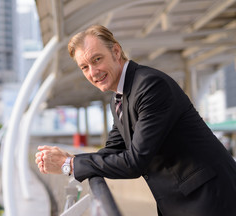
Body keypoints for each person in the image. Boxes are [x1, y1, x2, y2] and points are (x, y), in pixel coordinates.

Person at [35, 25, 236, 215]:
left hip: (210, 198)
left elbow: (135, 161)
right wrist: (70, 159)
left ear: (116, 51)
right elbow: (114, 149)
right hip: (186, 199)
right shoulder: (119, 96)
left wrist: (69, 164)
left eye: (97, 59)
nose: (93, 72)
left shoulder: (150, 86)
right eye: (84, 67)